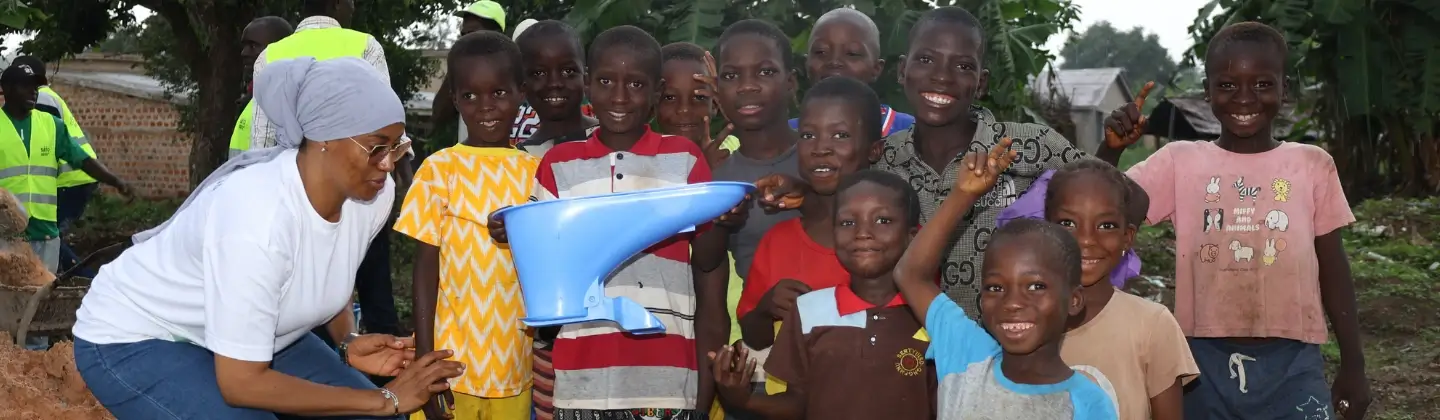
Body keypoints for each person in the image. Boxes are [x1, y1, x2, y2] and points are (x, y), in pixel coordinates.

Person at [70, 57, 463, 419]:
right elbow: (241, 383)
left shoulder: (372, 195)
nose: (388, 163)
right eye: (377, 147)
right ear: (323, 138)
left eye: (397, 146)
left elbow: (323, 266)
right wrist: (386, 399)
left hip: (257, 338)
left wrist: (347, 342)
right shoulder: (257, 217)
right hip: (136, 337)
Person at [1102, 21, 1371, 420]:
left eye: (1262, 84)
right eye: (1227, 85)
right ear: (1207, 90)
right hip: (1199, 363)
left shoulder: (1311, 165)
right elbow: (1101, 206)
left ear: (1285, 89)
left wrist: (1354, 364)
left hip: (1294, 362)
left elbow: (1332, 265)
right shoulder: (1179, 162)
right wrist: (1109, 152)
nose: (1245, 98)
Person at [488, 25, 724, 420]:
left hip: (665, 381)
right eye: (605, 81)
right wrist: (518, 232)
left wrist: (721, 218)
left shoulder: (683, 160)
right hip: (581, 382)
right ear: (587, 84)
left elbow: (709, 259)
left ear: (655, 91)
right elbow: (547, 270)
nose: (618, 96)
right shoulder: (559, 164)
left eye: (635, 83)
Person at [891, 138, 1116, 418]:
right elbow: (910, 274)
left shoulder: (1088, 402)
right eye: (996, 287)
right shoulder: (967, 354)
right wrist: (962, 194)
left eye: (1035, 286)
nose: (1012, 303)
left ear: (1073, 300)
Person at [712, 169, 937, 420]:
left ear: (912, 236)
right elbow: (799, 403)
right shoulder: (808, 311)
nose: (862, 232)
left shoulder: (932, 315)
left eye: (882, 220)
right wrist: (744, 399)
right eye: (847, 222)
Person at [396, 31, 537, 420]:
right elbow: (425, 271)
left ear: (521, 92)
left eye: (499, 92)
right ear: (455, 99)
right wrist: (425, 370)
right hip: (449, 367)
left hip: (512, 365)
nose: (485, 106)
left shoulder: (538, 174)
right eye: (471, 96)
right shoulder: (439, 170)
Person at [253, 0, 409, 339]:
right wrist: (396, 172)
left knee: (306, 290)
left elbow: (262, 143)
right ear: (344, 5)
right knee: (374, 290)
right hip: (361, 187)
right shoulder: (364, 45)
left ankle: (323, 365)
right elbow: (382, 118)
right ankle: (385, 376)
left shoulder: (271, 55)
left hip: (299, 193)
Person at [1004, 160, 1199, 419]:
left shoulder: (1152, 326)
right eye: (1068, 223)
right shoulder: (1018, 322)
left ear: (1127, 238)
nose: (1086, 239)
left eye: (1105, 225)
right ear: (1046, 229)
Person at [734, 76, 882, 383]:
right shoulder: (778, 241)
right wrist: (765, 309)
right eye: (808, 135)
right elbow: (755, 337)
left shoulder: (894, 239)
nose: (820, 149)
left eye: (840, 135)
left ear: (874, 150)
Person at [0, 62, 131, 274]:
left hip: (45, 232)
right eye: (26, 85)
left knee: (43, 296)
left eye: (36, 85)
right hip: (6, 234)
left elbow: (82, 160)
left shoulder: (52, 125)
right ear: (6, 89)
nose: (34, 90)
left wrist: (115, 181)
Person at [787, 8, 914, 137]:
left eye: (852, 54)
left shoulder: (910, 132)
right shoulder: (787, 135)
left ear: (876, 69)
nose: (834, 62)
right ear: (806, 63)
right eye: (821, 52)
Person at [513, 19, 599, 158]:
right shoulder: (521, 161)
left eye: (568, 71)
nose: (554, 83)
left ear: (586, 78)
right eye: (539, 73)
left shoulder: (615, 140)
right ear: (522, 86)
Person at [432, 0, 507, 147]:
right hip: (468, 163)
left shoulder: (511, 71)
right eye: (463, 34)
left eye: (472, 33)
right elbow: (439, 114)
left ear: (496, 35)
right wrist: (455, 69)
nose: (465, 40)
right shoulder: (463, 72)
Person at [657, 41, 739, 164]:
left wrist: (735, 113)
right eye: (669, 98)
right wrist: (703, 166)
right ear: (652, 103)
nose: (685, 109)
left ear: (716, 103)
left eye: (699, 97)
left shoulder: (736, 149)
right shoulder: (638, 162)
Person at [231, 16, 295, 159]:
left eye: (253, 46)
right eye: (244, 46)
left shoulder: (286, 103)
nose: (244, 53)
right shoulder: (252, 97)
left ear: (278, 48)